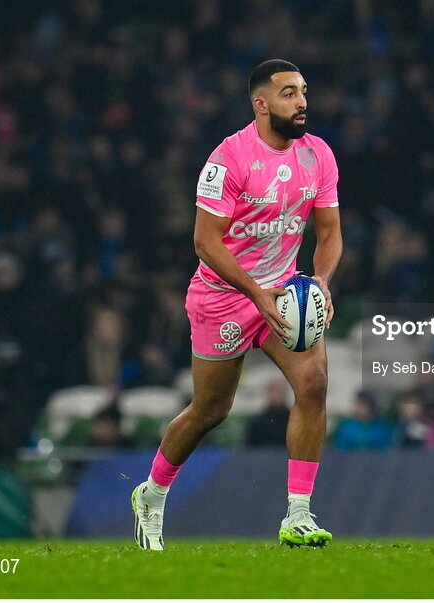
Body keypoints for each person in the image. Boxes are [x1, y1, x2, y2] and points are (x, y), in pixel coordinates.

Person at [131, 60, 342, 550]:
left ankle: (299, 515)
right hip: (224, 297)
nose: (303, 102)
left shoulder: (319, 156)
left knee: (314, 384)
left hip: (285, 289)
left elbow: (329, 233)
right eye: (289, 93)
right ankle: (152, 494)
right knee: (211, 410)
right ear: (261, 104)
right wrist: (255, 294)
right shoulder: (228, 159)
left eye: (304, 92)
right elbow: (206, 243)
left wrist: (323, 281)